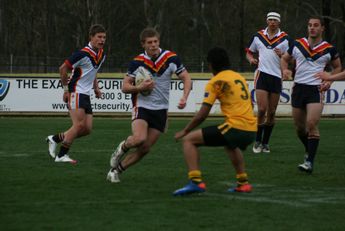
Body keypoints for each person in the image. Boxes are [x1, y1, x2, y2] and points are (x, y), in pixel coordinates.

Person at [107, 28, 192, 183]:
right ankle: (122, 147)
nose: (153, 45)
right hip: (142, 106)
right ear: (143, 44)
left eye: (155, 42)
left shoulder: (171, 58)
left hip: (161, 110)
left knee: (145, 148)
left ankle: (116, 171)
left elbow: (186, 78)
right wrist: (140, 88)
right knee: (139, 139)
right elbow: (124, 87)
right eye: (149, 42)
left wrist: (184, 97)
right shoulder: (137, 62)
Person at [173, 47, 257, 196]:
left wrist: (185, 130)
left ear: (211, 65)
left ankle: (196, 182)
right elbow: (250, 104)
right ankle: (243, 183)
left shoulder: (216, 81)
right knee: (230, 144)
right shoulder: (239, 77)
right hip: (252, 129)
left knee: (189, 141)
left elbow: (202, 114)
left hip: (236, 127)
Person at [281, 16, 342, 173]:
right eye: (309, 25)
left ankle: (309, 162)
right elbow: (284, 59)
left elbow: (337, 68)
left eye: (315, 25)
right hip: (298, 88)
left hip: (316, 89)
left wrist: (329, 81)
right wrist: (285, 69)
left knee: (311, 124)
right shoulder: (297, 44)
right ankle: (310, 149)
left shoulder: (329, 49)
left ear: (322, 28)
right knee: (300, 129)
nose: (312, 28)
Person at [46, 24, 106, 163]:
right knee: (78, 125)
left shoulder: (101, 54)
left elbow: (93, 72)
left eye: (104, 37)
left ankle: (54, 139)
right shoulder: (82, 53)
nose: (102, 40)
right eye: (99, 37)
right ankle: (61, 155)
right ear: (91, 37)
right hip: (76, 91)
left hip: (86, 94)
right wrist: (66, 90)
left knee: (86, 129)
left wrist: (96, 88)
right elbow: (63, 68)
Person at [246, 12, 291, 153]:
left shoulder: (286, 38)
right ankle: (257, 141)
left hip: (277, 77)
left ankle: (265, 143)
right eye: (270, 19)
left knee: (271, 112)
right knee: (261, 109)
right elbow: (249, 52)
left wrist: (282, 55)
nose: (272, 22)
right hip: (262, 75)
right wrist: (251, 60)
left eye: (275, 20)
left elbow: (292, 58)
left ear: (279, 22)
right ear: (266, 20)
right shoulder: (258, 36)